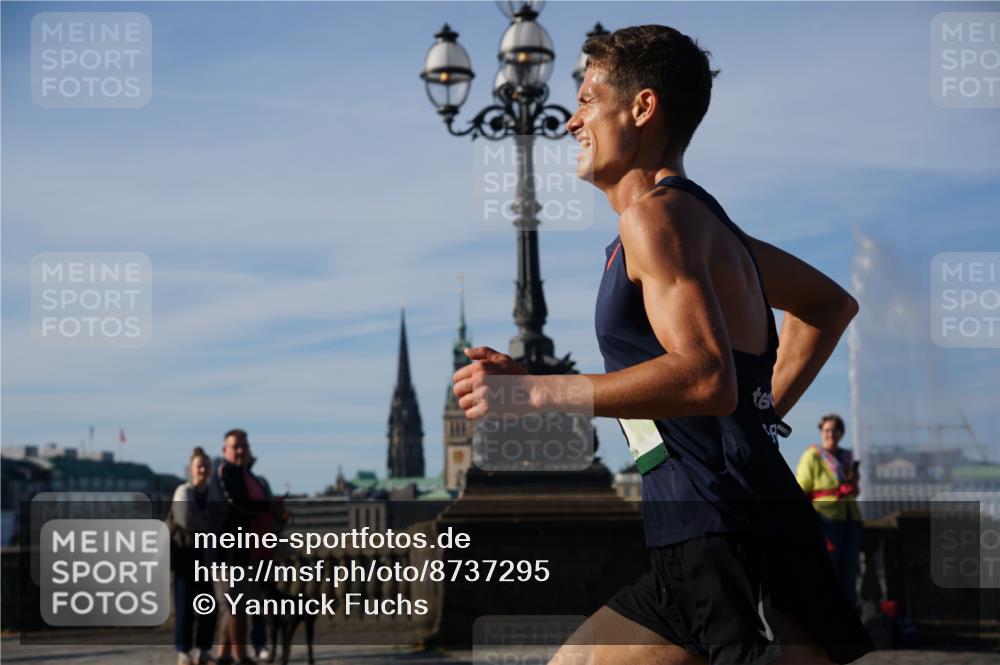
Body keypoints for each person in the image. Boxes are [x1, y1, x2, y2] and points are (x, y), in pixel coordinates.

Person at [453, 25, 873, 665]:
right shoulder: (697, 225)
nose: (571, 121)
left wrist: (537, 391)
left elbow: (706, 378)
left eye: (589, 99)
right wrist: (756, 418)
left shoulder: (656, 217)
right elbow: (827, 306)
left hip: (727, 528)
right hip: (699, 526)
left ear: (642, 108)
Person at [208, 429, 271, 665]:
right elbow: (236, 506)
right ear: (225, 450)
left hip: (245, 552)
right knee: (236, 607)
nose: (241, 450)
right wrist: (265, 508)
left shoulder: (246, 475)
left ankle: (223, 655)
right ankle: (240, 655)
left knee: (234, 606)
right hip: (226, 553)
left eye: (244, 446)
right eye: (236, 446)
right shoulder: (225, 473)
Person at [796, 414, 862, 610]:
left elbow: (855, 492)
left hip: (851, 520)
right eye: (826, 430)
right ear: (821, 433)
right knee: (828, 571)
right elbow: (801, 489)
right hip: (826, 522)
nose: (830, 434)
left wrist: (852, 482)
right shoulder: (813, 456)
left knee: (849, 574)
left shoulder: (847, 457)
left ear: (841, 434)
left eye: (834, 430)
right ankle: (828, 619)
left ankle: (849, 624)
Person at [171, 447, 218, 665]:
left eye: (206, 465)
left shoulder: (212, 493)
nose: (203, 469)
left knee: (208, 604)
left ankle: (204, 648)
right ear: (191, 469)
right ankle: (183, 651)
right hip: (185, 556)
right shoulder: (183, 492)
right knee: (184, 606)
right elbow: (185, 520)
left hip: (206, 558)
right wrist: (209, 525)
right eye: (199, 465)